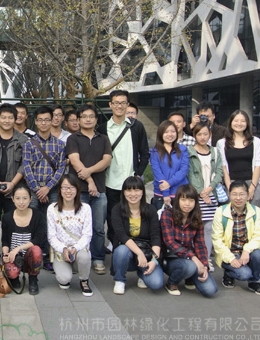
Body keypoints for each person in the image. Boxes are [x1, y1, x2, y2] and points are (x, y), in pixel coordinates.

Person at [98, 90, 149, 267]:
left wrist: (138, 174)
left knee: (132, 220)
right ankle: (117, 258)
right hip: (109, 183)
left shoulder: (136, 127)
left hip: (130, 185)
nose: (119, 106)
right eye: (116, 102)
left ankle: (131, 255)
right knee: (113, 221)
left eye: (123, 103)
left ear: (127, 105)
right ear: (110, 105)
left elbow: (145, 153)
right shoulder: (103, 128)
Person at [66, 104, 112, 275]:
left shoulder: (103, 139)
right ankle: (78, 258)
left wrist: (89, 172)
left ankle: (98, 258)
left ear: (96, 119)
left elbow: (106, 160)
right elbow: (74, 161)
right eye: (84, 116)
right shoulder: (73, 139)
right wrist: (90, 180)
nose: (87, 119)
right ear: (78, 120)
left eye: (91, 116)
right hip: (79, 191)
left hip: (100, 190)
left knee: (98, 228)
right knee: (77, 227)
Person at [0, 103, 29, 254]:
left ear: (15, 119)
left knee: (13, 223)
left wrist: (13, 183)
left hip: (14, 191)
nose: (7, 120)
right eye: (3, 117)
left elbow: (25, 164)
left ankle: (11, 254)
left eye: (10, 117)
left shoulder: (23, 140)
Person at [160, 184, 218, 297]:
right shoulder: (167, 215)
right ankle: (171, 283)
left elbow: (200, 244)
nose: (187, 204)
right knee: (189, 266)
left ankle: (189, 277)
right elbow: (169, 242)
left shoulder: (196, 218)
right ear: (177, 200)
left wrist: (204, 265)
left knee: (211, 290)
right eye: (183, 199)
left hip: (190, 258)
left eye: (191, 200)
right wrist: (193, 257)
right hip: (171, 257)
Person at [110, 177, 164, 295]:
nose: (133, 194)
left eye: (137, 190)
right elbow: (121, 235)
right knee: (121, 250)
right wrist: (139, 253)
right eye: (129, 190)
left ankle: (141, 273)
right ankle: (120, 280)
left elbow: (156, 236)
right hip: (127, 252)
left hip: (147, 253)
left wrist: (154, 260)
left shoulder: (151, 210)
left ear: (142, 192)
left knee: (156, 284)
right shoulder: (117, 209)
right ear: (124, 192)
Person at [212, 180, 260, 295]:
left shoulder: (255, 211)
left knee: (259, 255)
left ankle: (254, 281)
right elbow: (217, 240)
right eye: (234, 194)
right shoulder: (220, 212)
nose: (238, 198)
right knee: (244, 274)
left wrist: (247, 250)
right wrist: (231, 258)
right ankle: (229, 273)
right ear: (229, 195)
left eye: (242, 194)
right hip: (228, 252)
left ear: (248, 195)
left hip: (247, 252)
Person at [47, 175, 94, 296]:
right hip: (61, 251)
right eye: (65, 187)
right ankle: (66, 270)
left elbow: (87, 235)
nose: (68, 191)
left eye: (72, 187)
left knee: (84, 257)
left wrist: (75, 248)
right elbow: (51, 236)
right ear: (60, 190)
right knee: (64, 280)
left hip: (78, 249)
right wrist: (63, 249)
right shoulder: (52, 209)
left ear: (77, 190)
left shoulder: (85, 208)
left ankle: (84, 280)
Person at [187, 122, 224, 271]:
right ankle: (194, 258)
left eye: (205, 134)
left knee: (209, 228)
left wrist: (209, 189)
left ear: (210, 135)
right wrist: (201, 192)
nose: (202, 137)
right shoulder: (189, 151)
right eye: (199, 134)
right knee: (195, 227)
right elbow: (190, 174)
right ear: (194, 135)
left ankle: (206, 258)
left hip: (211, 195)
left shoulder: (215, 151)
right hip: (196, 196)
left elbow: (219, 172)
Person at [1, 184, 45, 295]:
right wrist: (5, 254)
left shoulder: (38, 216)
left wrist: (18, 248)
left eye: (25, 198)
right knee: (11, 273)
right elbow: (5, 240)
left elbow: (38, 239)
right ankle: (14, 279)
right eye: (18, 198)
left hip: (29, 256)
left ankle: (33, 278)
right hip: (14, 256)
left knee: (36, 251)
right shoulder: (7, 217)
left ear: (30, 199)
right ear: (12, 199)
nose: (21, 202)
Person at [23, 105, 66, 213]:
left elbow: (61, 168)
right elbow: (27, 168)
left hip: (53, 189)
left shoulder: (60, 144)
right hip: (33, 189)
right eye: (40, 120)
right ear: (36, 122)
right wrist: (38, 190)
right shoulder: (29, 144)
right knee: (32, 217)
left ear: (51, 121)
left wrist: (47, 188)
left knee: (54, 217)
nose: (43, 123)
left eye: (47, 120)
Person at [216, 110, 260, 206]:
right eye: (236, 120)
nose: (239, 123)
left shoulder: (256, 141)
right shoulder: (222, 143)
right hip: (232, 183)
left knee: (252, 213)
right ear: (231, 122)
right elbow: (223, 167)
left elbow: (258, 165)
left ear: (247, 123)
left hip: (251, 182)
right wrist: (230, 189)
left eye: (243, 121)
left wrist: (252, 188)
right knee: (233, 214)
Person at [150, 120, 189, 210]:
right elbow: (157, 173)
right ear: (161, 134)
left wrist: (169, 183)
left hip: (180, 193)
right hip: (161, 194)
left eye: (172, 131)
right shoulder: (154, 152)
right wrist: (166, 193)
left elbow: (184, 170)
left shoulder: (183, 150)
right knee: (162, 218)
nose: (170, 134)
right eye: (166, 132)